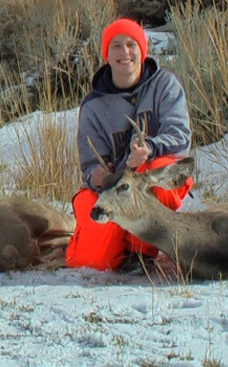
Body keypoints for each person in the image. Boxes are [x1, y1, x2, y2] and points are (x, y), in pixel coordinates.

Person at [65, 18, 194, 271]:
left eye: (131, 44)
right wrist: (97, 175)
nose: (125, 53)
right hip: (113, 188)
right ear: (106, 54)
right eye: (116, 46)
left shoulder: (164, 85)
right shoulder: (93, 105)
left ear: (142, 50)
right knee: (92, 261)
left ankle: (141, 251)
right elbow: (90, 163)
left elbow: (180, 135)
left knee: (158, 173)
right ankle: (103, 243)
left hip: (150, 175)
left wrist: (150, 150)